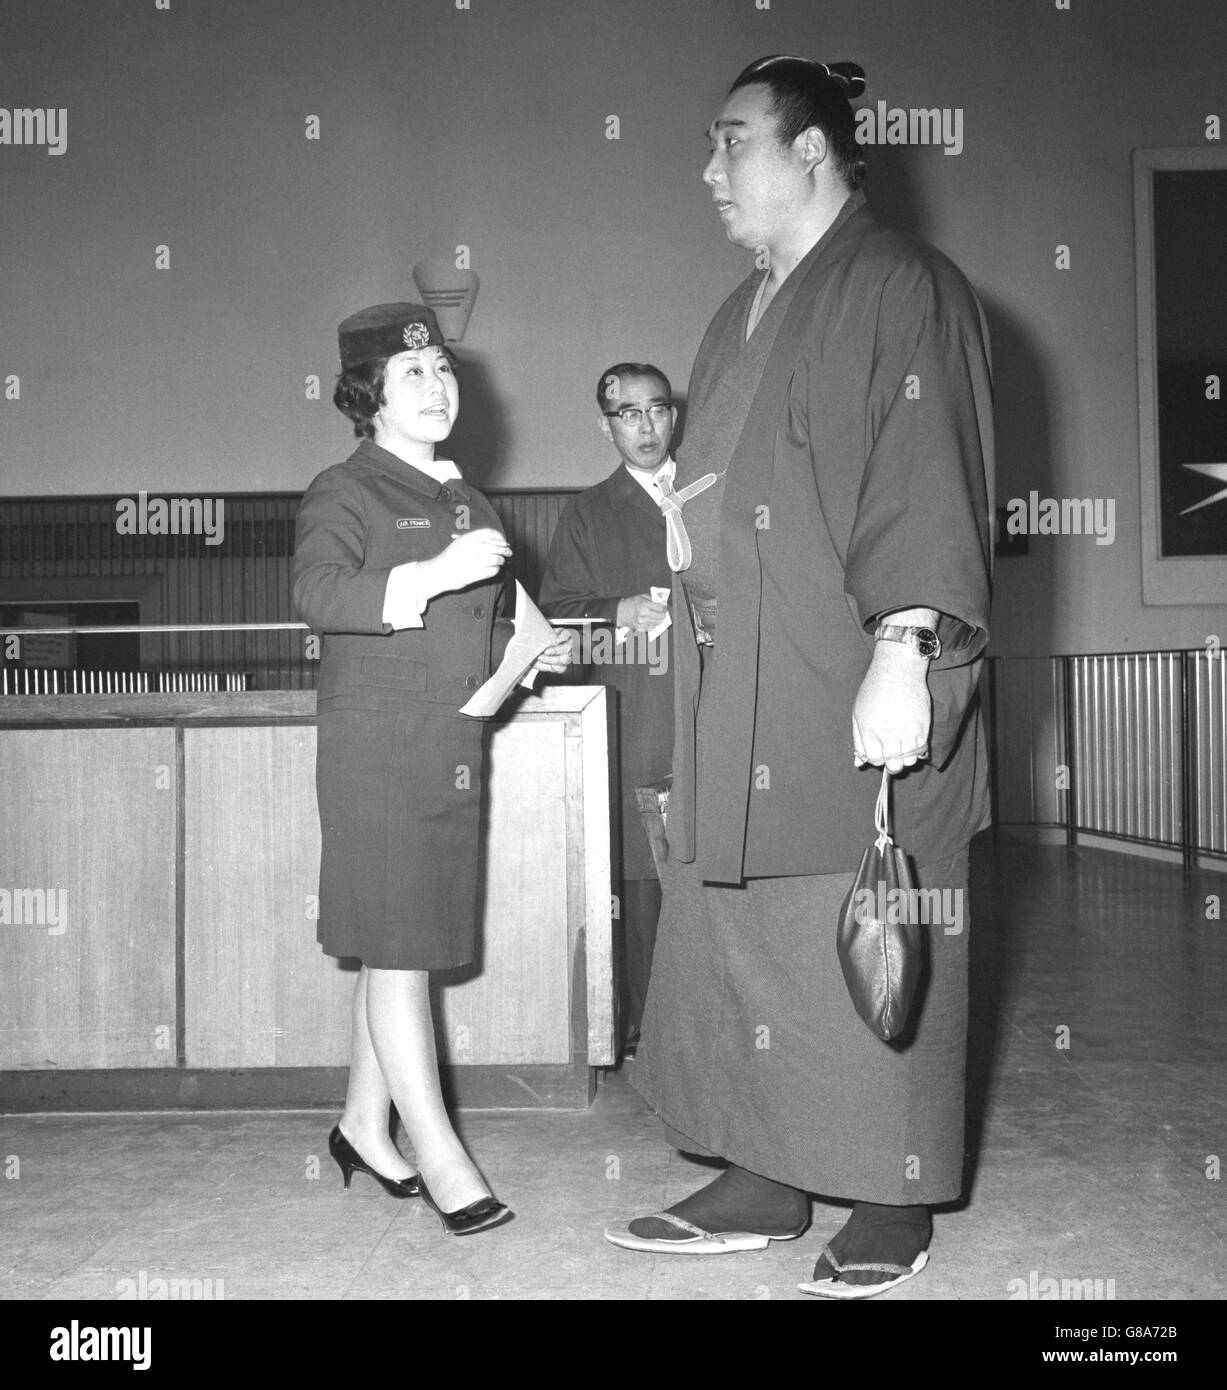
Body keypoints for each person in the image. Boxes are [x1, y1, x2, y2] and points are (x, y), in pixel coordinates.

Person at [605, 57, 994, 1299]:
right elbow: (722, 478)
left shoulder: (902, 287)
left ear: (813, 150)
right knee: (746, 919)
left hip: (853, 664)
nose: (709, 171)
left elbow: (927, 475)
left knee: (876, 916)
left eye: (732, 145)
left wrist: (908, 646)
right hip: (742, 677)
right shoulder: (738, 312)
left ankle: (892, 1189)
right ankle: (766, 1173)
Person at [293, 302, 571, 1237]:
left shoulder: (469, 500)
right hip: (376, 744)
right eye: (413, 374)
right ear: (368, 395)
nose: (438, 386)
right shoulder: (346, 487)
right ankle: (443, 1157)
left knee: (398, 938)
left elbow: (485, 618)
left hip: (451, 743)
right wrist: (439, 572)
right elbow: (320, 594)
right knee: (401, 946)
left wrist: (527, 648)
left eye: (445, 369)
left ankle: (363, 1125)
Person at [538, 363, 676, 1049]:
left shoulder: (718, 494)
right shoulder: (587, 513)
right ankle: (649, 1036)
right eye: (628, 413)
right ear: (606, 426)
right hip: (639, 720)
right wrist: (613, 610)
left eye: (656, 409)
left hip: (720, 715)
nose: (645, 425)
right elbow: (557, 615)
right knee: (642, 883)